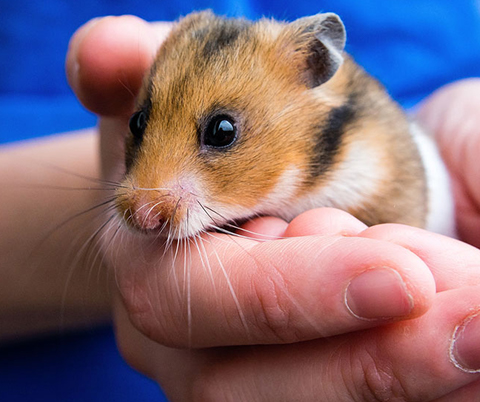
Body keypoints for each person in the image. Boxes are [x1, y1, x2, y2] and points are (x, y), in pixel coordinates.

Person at [2, 5, 480, 402]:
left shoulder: (370, 150)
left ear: (313, 67)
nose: (145, 207)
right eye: (142, 124)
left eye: (222, 134)